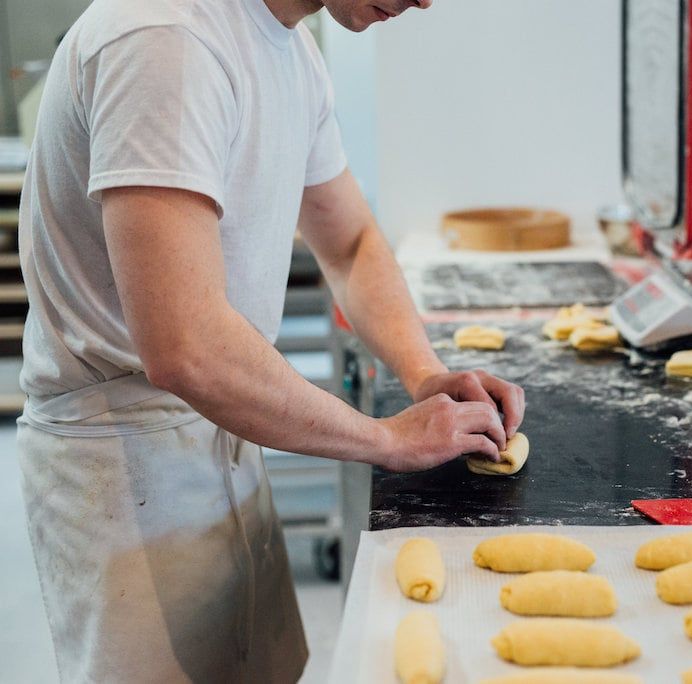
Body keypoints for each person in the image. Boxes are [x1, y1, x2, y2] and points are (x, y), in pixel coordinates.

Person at [17, 0, 525, 680]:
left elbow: (349, 244)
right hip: (125, 463)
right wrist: (386, 439)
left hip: (222, 426)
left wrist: (422, 370)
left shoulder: (291, 49)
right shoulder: (165, 39)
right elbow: (184, 344)